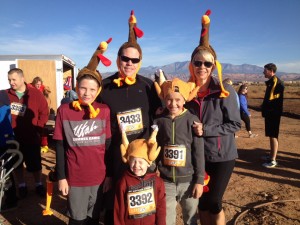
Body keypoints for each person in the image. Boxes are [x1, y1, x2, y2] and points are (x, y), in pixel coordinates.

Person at [97, 10, 161, 225]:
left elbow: (161, 117)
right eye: (125, 58)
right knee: (113, 206)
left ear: (140, 62)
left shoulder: (149, 86)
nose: (130, 63)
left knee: (141, 210)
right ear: (118, 59)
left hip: (142, 159)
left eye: (135, 60)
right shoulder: (104, 88)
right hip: (114, 156)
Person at [185, 10, 241, 225]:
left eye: (207, 64)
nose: (202, 67)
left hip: (222, 155)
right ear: (192, 64)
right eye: (198, 62)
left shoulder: (224, 90)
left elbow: (235, 123)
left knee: (215, 201)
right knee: (202, 201)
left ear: (214, 66)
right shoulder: (187, 93)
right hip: (197, 156)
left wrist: (206, 130)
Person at [53, 38, 112, 225]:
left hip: (99, 177)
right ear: (76, 88)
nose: (87, 93)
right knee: (77, 220)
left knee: (93, 218)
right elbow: (60, 147)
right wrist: (62, 177)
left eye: (92, 89)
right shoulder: (65, 111)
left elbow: (108, 146)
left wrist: (109, 175)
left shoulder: (103, 111)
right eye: (83, 88)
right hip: (76, 177)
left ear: (98, 91)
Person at [153, 74, 208, 225]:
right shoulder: (159, 121)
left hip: (188, 182)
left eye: (178, 99)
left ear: (185, 99)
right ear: (164, 99)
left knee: (190, 218)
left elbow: (198, 153)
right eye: (169, 99)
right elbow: (154, 149)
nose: (173, 104)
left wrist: (199, 180)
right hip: (166, 182)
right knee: (166, 219)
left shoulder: (192, 121)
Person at [6, 68, 49, 199]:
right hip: (13, 137)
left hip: (32, 137)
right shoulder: (5, 95)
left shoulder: (36, 94)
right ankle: (22, 185)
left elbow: (44, 112)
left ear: (22, 78)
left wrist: (38, 130)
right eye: (9, 80)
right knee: (16, 163)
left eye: (14, 79)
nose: (11, 82)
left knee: (35, 164)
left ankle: (38, 184)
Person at [114, 125, 166, 225]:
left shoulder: (158, 182)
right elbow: (118, 209)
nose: (136, 165)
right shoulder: (123, 182)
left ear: (148, 163)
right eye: (133, 161)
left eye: (141, 162)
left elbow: (161, 207)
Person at [261, 63, 284, 168]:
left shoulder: (275, 82)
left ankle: (273, 160)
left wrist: (267, 109)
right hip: (271, 113)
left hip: (273, 113)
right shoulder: (271, 82)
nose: (263, 72)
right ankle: (271, 156)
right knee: (271, 135)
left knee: (273, 135)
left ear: (271, 71)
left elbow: (271, 99)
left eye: (265, 70)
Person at [0, 90, 18, 210]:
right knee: (5, 172)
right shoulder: (4, 97)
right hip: (6, 140)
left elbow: (4, 124)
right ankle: (11, 199)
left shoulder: (2, 99)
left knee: (5, 172)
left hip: (4, 142)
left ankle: (11, 200)